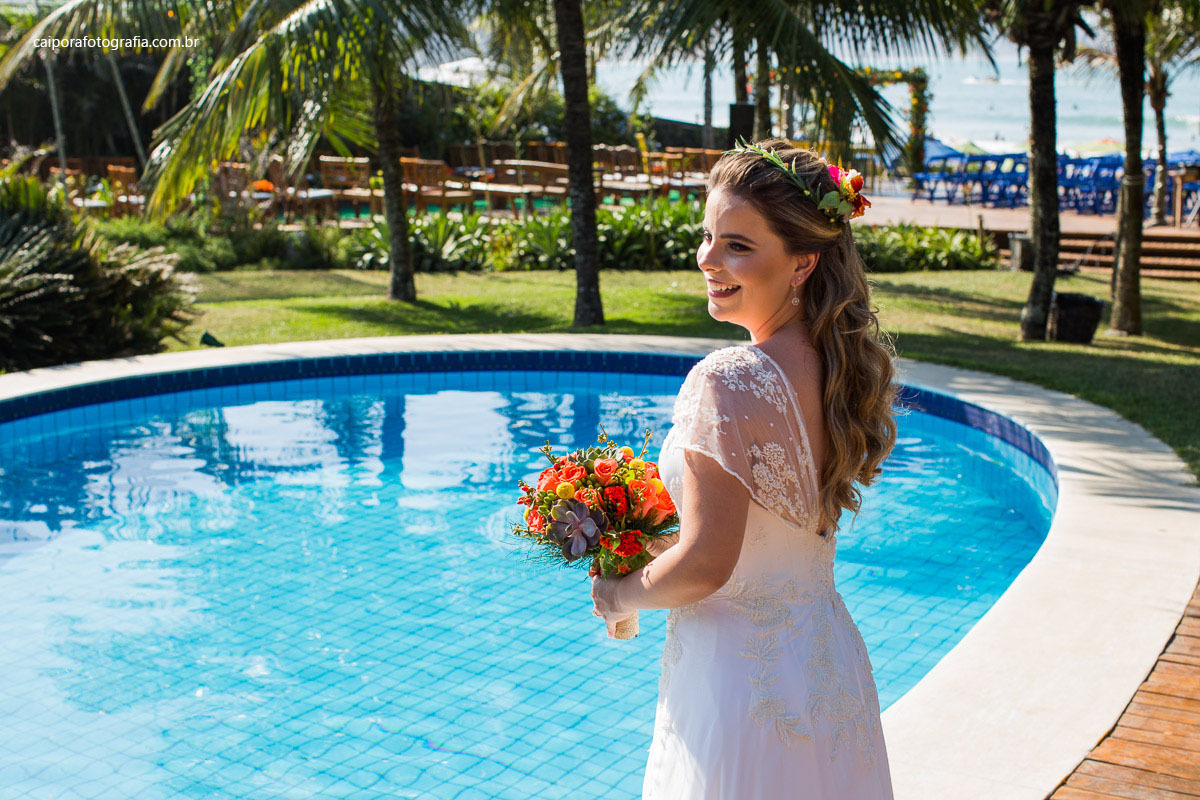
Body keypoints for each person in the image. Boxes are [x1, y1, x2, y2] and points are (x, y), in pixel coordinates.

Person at [590, 138, 898, 798]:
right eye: (708, 237)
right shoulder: (836, 371)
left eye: (737, 245)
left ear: (802, 263)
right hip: (825, 666)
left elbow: (707, 563)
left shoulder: (725, 381)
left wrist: (618, 592)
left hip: (738, 688)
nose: (707, 259)